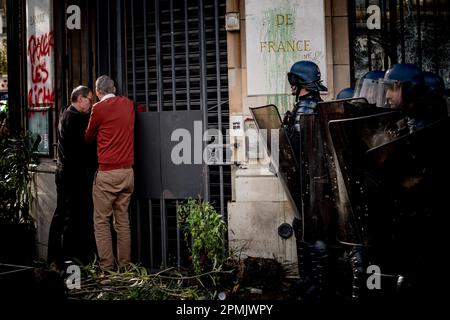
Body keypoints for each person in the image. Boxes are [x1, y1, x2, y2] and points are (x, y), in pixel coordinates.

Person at [283, 60, 332, 299]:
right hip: (309, 184)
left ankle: (318, 287)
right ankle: (309, 281)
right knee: (302, 228)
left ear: (300, 82)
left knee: (313, 234)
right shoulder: (313, 106)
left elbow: (299, 149)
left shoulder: (307, 110)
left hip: (311, 184)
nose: (290, 85)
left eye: (293, 80)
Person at [85, 75, 135, 271]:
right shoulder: (128, 104)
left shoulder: (98, 108)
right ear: (114, 88)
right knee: (122, 221)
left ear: (98, 92)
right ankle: (125, 267)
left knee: (101, 221)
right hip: (127, 173)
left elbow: (88, 136)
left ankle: (107, 269)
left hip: (107, 173)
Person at [47, 86, 97, 270]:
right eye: (90, 99)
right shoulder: (74, 118)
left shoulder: (65, 113)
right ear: (80, 99)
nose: (92, 104)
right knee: (68, 217)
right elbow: (85, 148)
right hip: (71, 176)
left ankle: (55, 260)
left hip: (65, 173)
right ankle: (67, 263)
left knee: (62, 214)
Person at [378, 63, 428, 134]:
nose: (387, 95)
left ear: (409, 91)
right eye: (387, 89)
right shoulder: (409, 117)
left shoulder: (422, 128)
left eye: (393, 88)